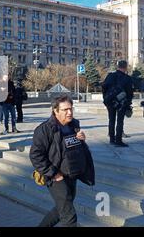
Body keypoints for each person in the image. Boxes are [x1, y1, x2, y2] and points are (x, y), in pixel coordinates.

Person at [30, 95, 95, 227]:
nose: (69, 112)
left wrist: (81, 140)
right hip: (56, 178)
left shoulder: (74, 125)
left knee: (60, 211)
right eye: (65, 110)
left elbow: (75, 148)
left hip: (72, 175)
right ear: (55, 110)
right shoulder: (45, 129)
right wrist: (54, 173)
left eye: (71, 109)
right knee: (69, 217)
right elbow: (35, 155)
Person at [102, 60, 133, 147]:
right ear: (126, 67)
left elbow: (104, 87)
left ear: (118, 66)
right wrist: (128, 102)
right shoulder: (127, 78)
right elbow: (130, 92)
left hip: (110, 101)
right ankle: (118, 140)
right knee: (120, 121)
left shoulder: (110, 75)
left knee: (111, 120)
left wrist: (105, 98)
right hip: (121, 102)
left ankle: (112, 139)